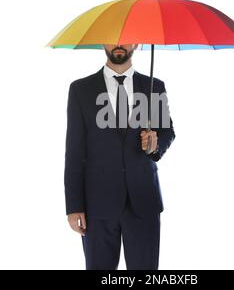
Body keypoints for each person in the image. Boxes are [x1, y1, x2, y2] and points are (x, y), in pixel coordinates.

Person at [64, 43, 175, 270]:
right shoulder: (81, 89)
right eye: (113, 37)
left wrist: (155, 144)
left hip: (143, 201)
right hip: (97, 204)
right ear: (103, 42)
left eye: (126, 38)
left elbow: (167, 132)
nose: (119, 44)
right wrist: (74, 206)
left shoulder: (154, 87)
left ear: (136, 43)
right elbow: (74, 151)